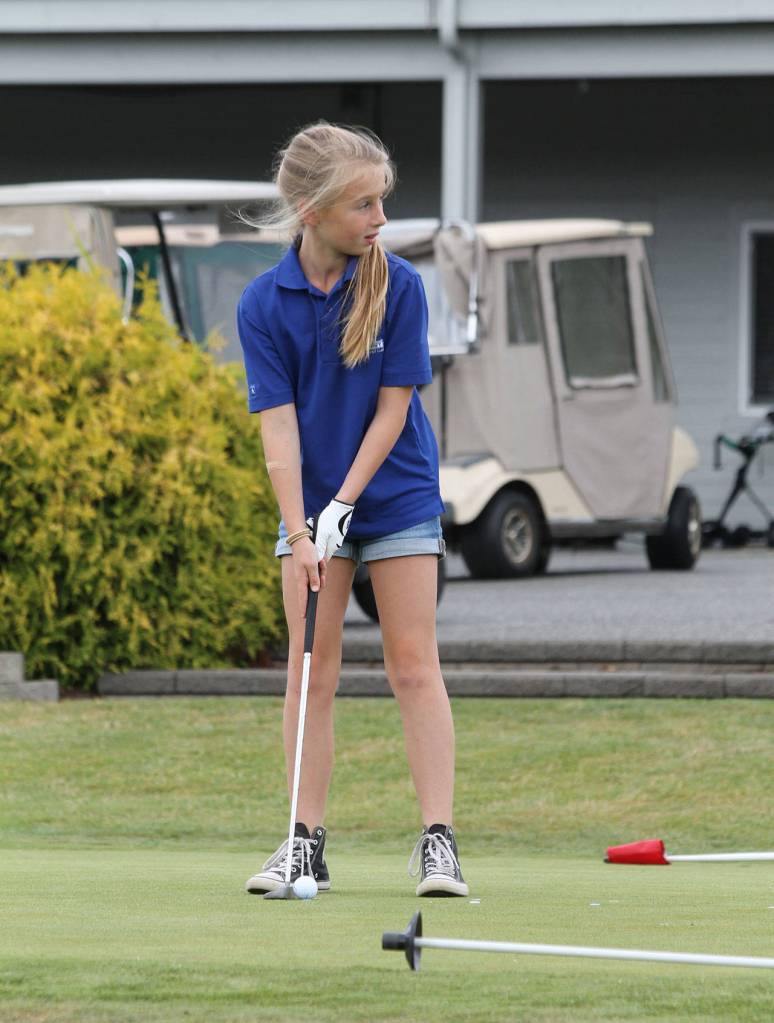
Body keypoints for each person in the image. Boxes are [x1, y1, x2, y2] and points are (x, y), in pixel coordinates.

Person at [237, 121, 467, 898]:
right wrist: (301, 530)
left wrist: (343, 503)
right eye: (363, 204)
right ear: (312, 210)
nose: (380, 218)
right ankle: (303, 843)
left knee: (413, 664)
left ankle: (439, 841)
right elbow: (279, 432)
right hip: (309, 508)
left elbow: (393, 410)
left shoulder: (399, 285)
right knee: (311, 670)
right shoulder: (263, 303)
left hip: (395, 492)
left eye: (381, 201)